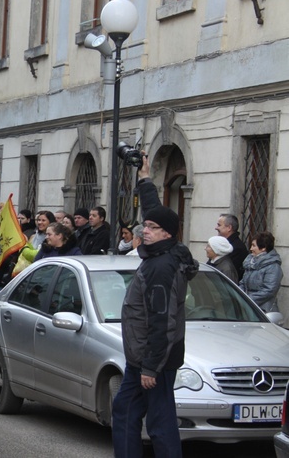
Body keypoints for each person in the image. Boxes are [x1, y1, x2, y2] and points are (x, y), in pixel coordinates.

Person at [112, 154, 198, 458]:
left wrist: (150, 366)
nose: (143, 230)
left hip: (154, 361)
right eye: (144, 226)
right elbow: (155, 211)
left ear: (166, 234)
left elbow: (163, 321)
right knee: (125, 411)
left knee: (159, 421)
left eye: (150, 228)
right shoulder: (164, 250)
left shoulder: (162, 268)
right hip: (145, 359)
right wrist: (145, 178)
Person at [239, 231, 283, 313]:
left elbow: (269, 290)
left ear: (263, 248)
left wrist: (247, 300)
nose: (251, 249)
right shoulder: (251, 263)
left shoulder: (273, 267)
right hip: (247, 308)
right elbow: (243, 283)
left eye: (253, 246)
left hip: (263, 310)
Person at [215, 214, 249, 281]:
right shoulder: (226, 244)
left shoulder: (237, 248)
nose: (216, 228)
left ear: (229, 228)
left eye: (219, 225)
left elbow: (227, 272)